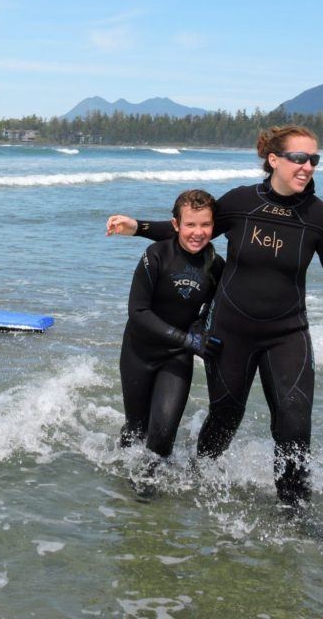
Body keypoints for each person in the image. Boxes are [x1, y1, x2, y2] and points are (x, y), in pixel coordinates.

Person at [106, 125, 323, 508]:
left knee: (294, 422)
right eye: (299, 158)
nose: (307, 166)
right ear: (274, 160)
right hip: (230, 333)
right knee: (225, 418)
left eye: (314, 159)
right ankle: (200, 480)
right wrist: (137, 228)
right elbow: (194, 231)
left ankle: (294, 509)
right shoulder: (243, 202)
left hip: (287, 333)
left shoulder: (320, 217)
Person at [119, 189, 224, 472]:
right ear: (176, 225)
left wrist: (200, 330)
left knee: (163, 436)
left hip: (177, 356)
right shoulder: (155, 255)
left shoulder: (215, 266)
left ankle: (150, 496)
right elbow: (138, 312)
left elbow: (211, 311)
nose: (198, 232)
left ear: (214, 227)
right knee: (135, 430)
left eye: (205, 225)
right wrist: (187, 339)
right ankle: (127, 488)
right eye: (190, 224)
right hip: (138, 352)